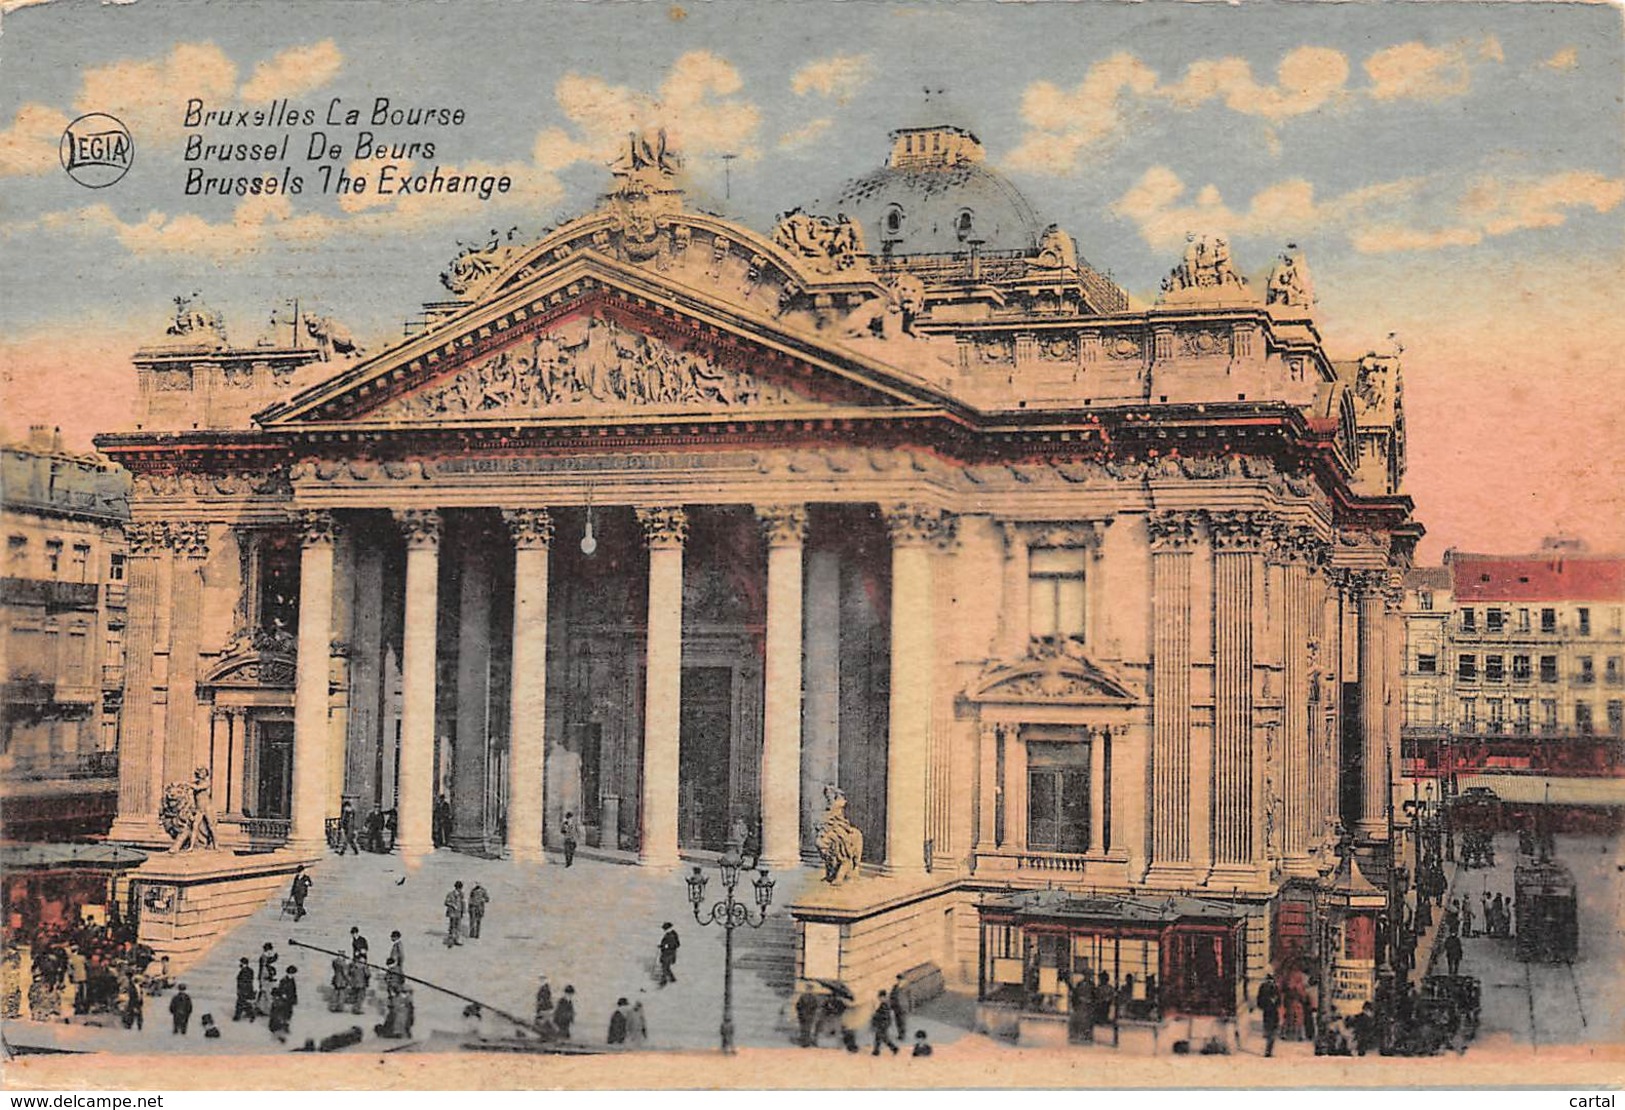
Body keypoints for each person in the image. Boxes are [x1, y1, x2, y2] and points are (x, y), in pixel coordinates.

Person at [1256, 972, 1281, 1058]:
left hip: (1268, 1012)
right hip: (1272, 1012)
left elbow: (1259, 1000)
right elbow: (1279, 1000)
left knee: (1269, 1030)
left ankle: (1268, 1049)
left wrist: (1263, 1006)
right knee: (1272, 1031)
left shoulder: (1263, 987)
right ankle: (1268, 1050)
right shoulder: (1274, 987)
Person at [870, 991, 899, 1055]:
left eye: (881, 997)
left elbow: (884, 1015)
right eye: (879, 997)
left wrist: (876, 1014)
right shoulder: (883, 1004)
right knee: (881, 1037)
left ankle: (892, 1048)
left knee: (881, 1037)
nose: (880, 999)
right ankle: (877, 1050)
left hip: (883, 1023)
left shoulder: (885, 1005)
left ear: (884, 997)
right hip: (882, 1023)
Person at [795, 982, 822, 1047]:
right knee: (803, 1029)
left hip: (810, 1016)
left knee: (808, 1029)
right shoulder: (802, 996)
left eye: (810, 989)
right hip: (803, 1016)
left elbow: (816, 1007)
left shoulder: (814, 998)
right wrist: (800, 1013)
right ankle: (803, 1042)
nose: (809, 990)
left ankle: (806, 1042)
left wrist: (812, 1013)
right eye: (808, 989)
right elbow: (798, 1006)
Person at [657, 922, 680, 986]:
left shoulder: (671, 935)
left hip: (668, 953)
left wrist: (664, 946)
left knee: (664, 967)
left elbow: (673, 945)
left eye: (664, 928)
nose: (664, 930)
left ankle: (664, 981)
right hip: (669, 953)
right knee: (666, 967)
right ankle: (672, 979)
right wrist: (662, 945)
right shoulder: (672, 934)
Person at [234, 957, 256, 1022]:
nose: (239, 964)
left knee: (240, 1004)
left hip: (244, 990)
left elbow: (244, 982)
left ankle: (237, 1017)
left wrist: (241, 991)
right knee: (246, 1003)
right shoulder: (250, 970)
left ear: (243, 963)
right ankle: (251, 1015)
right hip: (248, 990)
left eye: (240, 963)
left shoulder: (244, 971)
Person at [444, 881, 466, 947]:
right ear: (456, 887)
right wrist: (453, 905)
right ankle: (450, 941)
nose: (459, 890)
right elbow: (446, 902)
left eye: (460, 888)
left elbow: (463, 903)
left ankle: (457, 940)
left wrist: (463, 911)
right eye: (458, 888)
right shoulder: (450, 894)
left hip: (459, 913)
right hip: (452, 913)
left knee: (458, 927)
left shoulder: (461, 894)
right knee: (452, 927)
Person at [890, 974, 908, 1039]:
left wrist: (911, 1008)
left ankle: (903, 1035)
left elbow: (911, 997)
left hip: (903, 1007)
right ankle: (900, 1034)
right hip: (896, 1008)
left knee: (903, 1022)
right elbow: (891, 997)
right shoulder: (895, 987)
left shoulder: (906, 987)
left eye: (900, 979)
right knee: (898, 1022)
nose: (899, 981)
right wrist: (891, 1006)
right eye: (898, 980)